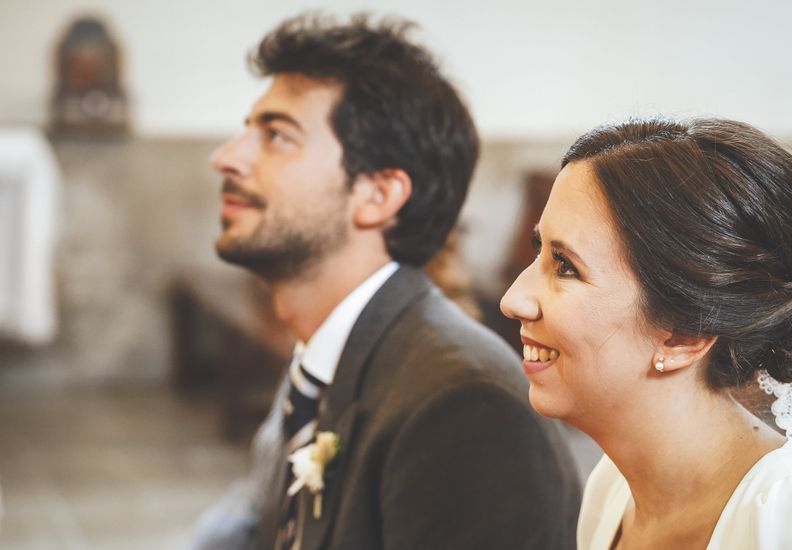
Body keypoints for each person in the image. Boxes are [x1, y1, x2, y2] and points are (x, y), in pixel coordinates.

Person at [195, 12, 580, 550]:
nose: (228, 157)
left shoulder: (462, 408)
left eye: (277, 135)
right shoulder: (330, 357)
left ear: (377, 195)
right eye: (248, 130)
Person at [500, 117, 792, 549]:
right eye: (540, 251)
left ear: (683, 334)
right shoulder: (611, 487)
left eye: (566, 266)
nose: (512, 299)